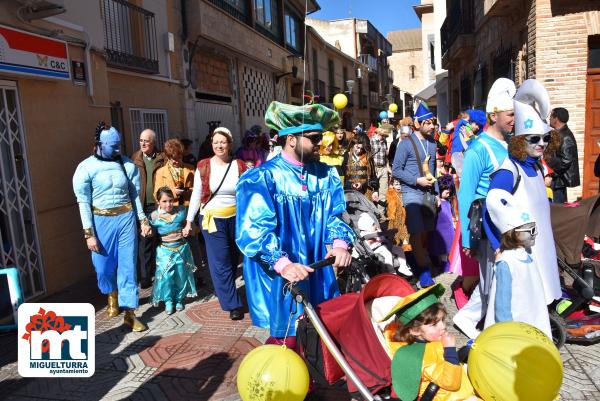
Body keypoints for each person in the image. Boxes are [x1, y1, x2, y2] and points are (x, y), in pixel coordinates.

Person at [235, 101, 354, 343]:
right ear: (291, 139)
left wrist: (339, 243)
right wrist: (282, 264)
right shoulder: (262, 177)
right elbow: (253, 230)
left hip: (316, 269)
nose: (320, 142)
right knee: (287, 336)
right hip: (281, 273)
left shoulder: (326, 174)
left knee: (320, 332)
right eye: (313, 137)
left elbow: (335, 215)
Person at [488, 79, 562, 307]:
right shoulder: (509, 170)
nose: (541, 144)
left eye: (545, 138)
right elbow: (491, 206)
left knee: (542, 294)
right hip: (521, 248)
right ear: (520, 139)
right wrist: (497, 245)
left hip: (542, 245)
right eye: (534, 139)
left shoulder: (537, 166)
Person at [453, 78, 515, 339]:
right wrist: (468, 238)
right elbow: (466, 195)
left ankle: (470, 318)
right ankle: (480, 327)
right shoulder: (478, 149)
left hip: (510, 224)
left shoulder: (512, 143)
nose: (514, 119)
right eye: (510, 114)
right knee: (492, 280)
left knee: (500, 279)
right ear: (494, 115)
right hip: (489, 228)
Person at [73, 123, 150, 331]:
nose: (118, 150)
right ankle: (111, 293)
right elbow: (83, 203)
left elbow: (135, 196)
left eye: (119, 145)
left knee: (128, 267)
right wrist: (89, 234)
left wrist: (142, 220)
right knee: (103, 268)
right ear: (99, 144)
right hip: (100, 221)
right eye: (113, 146)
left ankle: (130, 312)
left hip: (125, 219)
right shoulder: (85, 168)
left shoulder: (128, 166)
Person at [183, 127, 247, 320]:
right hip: (212, 220)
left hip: (236, 219)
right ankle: (232, 304)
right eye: (216, 142)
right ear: (211, 144)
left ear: (230, 144)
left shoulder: (239, 165)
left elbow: (248, 192)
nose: (219, 145)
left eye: (223, 142)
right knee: (221, 262)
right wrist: (189, 221)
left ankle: (231, 293)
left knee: (235, 259)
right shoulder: (203, 165)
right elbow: (196, 195)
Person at [382, 284, 479, 401]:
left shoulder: (430, 340)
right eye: (434, 324)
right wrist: (449, 349)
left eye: (442, 320)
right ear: (415, 330)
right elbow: (451, 383)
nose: (443, 326)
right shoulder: (420, 357)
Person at [484, 189, 551, 337]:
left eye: (535, 229)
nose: (535, 234)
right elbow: (502, 300)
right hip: (514, 323)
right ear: (513, 232)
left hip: (531, 313)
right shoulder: (507, 261)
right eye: (530, 230)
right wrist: (507, 327)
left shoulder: (527, 253)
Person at [392, 102, 438, 288]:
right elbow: (396, 170)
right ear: (418, 124)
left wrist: (437, 194)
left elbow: (433, 169)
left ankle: (413, 256)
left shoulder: (433, 143)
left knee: (425, 231)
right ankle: (424, 272)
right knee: (417, 230)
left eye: (433, 122)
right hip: (411, 192)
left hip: (428, 193)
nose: (432, 126)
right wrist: (416, 180)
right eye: (428, 123)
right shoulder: (405, 143)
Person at [150, 187, 198, 315]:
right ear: (158, 202)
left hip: (182, 249)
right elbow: (148, 233)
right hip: (164, 250)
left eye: (171, 201)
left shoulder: (181, 211)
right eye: (164, 201)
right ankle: (168, 301)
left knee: (181, 275)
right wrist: (146, 229)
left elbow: (191, 226)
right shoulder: (154, 216)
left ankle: (179, 299)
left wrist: (188, 228)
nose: (168, 204)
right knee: (166, 276)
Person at [131, 129, 166, 288]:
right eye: (141, 140)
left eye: (146, 141)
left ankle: (161, 272)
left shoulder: (162, 157)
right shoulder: (135, 159)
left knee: (161, 239)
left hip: (159, 205)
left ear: (153, 142)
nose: (143, 144)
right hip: (143, 206)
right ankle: (145, 277)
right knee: (144, 241)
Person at [357, 212, 412, 277]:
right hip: (376, 249)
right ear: (366, 227)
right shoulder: (364, 234)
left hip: (384, 245)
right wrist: (382, 233)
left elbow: (383, 239)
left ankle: (403, 267)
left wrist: (382, 234)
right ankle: (391, 272)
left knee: (399, 249)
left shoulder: (376, 230)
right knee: (387, 254)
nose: (375, 226)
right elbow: (370, 237)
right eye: (373, 225)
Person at [546, 107, 580, 203]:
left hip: (557, 182)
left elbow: (566, 160)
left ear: (556, 119)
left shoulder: (566, 137)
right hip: (556, 181)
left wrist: (551, 174)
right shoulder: (558, 134)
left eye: (551, 116)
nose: (549, 119)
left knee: (557, 211)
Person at [154, 139, 195, 206]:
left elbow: (197, 189)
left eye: (179, 158)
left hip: (188, 208)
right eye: (173, 159)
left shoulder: (191, 169)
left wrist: (189, 191)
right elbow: (156, 194)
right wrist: (173, 192)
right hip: (170, 209)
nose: (176, 161)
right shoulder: (160, 172)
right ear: (168, 157)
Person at [428, 175, 456, 272]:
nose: (449, 193)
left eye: (449, 190)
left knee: (446, 250)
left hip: (448, 230)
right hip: (438, 230)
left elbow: (450, 215)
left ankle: (445, 265)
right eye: (446, 190)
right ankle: (440, 264)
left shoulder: (448, 202)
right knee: (438, 248)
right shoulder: (437, 202)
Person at [343, 134, 379, 201]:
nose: (359, 150)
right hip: (349, 193)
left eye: (361, 149)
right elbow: (344, 176)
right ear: (353, 144)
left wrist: (375, 190)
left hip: (365, 193)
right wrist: (351, 185)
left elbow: (373, 176)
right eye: (357, 147)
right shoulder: (346, 156)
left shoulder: (368, 157)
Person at [386, 177, 410, 251]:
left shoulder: (406, 194)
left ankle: (407, 254)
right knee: (395, 241)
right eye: (396, 184)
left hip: (405, 221)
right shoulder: (391, 194)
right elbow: (390, 207)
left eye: (400, 184)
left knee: (406, 240)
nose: (399, 186)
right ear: (392, 185)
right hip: (395, 221)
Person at [371, 127, 390, 214]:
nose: (384, 137)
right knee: (373, 191)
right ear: (379, 134)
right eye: (384, 135)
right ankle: (372, 213)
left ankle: (381, 214)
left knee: (383, 192)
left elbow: (385, 157)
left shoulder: (384, 142)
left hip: (383, 168)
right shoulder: (371, 141)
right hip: (374, 168)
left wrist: (388, 167)